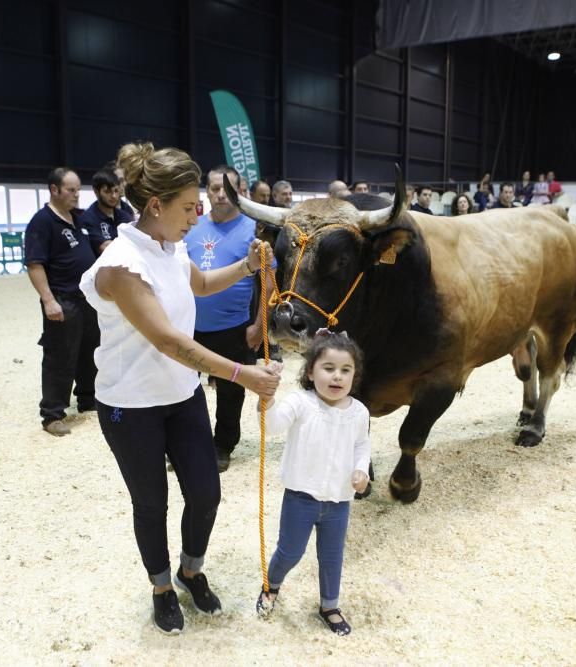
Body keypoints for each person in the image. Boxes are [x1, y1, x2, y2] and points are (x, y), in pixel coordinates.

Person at [79, 142, 280, 635]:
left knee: (206, 493)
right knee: (152, 503)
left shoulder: (173, 247)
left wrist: (249, 267)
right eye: (190, 207)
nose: (199, 215)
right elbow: (168, 340)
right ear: (155, 206)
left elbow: (203, 284)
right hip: (132, 406)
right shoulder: (121, 266)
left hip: (182, 395)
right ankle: (162, 586)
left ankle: (191, 570)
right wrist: (241, 373)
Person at [255, 332, 370, 636]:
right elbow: (273, 426)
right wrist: (265, 400)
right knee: (290, 551)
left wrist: (361, 470)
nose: (337, 376)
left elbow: (362, 446)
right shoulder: (300, 403)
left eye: (346, 370)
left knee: (332, 556)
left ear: (354, 375)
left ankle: (329, 605)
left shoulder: (359, 412)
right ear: (310, 372)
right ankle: (271, 585)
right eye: (328, 367)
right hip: (300, 498)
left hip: (339, 501)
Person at [184, 165, 260, 472]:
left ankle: (223, 445)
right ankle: (190, 442)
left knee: (231, 389)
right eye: (215, 188)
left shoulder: (254, 229)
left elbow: (268, 282)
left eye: (228, 189)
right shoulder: (192, 225)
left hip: (233, 326)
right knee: (185, 388)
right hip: (188, 325)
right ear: (207, 191)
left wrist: (259, 326)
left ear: (240, 192)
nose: (220, 194)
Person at [24, 167, 100, 436]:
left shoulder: (78, 219)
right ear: (54, 190)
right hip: (62, 298)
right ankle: (52, 413)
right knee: (60, 356)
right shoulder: (42, 222)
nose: (76, 195)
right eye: (71, 190)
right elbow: (35, 264)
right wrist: (48, 300)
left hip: (86, 299)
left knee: (89, 350)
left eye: (78, 190)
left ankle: (88, 399)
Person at [80, 167, 132, 256]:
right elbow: (104, 249)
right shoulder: (88, 218)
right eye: (108, 192)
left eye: (116, 191)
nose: (114, 196)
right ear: (96, 191)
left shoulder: (125, 215)